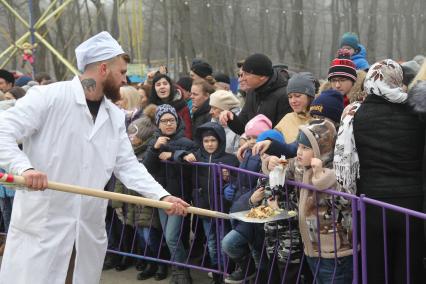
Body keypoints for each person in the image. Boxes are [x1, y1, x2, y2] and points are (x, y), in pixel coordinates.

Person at [0, 31, 188, 284]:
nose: (125, 79)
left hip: (86, 229)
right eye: (121, 72)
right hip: (43, 226)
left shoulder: (113, 115)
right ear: (102, 68)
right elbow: (3, 131)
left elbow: (128, 166)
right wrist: (24, 168)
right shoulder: (47, 97)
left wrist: (162, 196)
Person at [349, 59, 425, 283]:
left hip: (373, 202)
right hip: (411, 204)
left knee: (375, 268)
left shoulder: (357, 115)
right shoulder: (416, 114)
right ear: (398, 81)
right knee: (408, 267)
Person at [264, 119, 353, 283]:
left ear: (321, 150)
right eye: (298, 146)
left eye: (305, 148)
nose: (299, 152)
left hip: (335, 252)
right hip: (311, 248)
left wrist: (321, 177)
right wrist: (271, 161)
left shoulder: (336, 170)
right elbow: (285, 164)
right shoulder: (299, 166)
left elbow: (346, 202)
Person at [143, 104, 198, 284]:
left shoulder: (186, 142)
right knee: (169, 236)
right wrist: (155, 150)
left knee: (173, 236)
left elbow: (192, 160)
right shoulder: (154, 142)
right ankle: (177, 271)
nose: (168, 124)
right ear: (158, 124)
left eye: (172, 120)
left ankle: (182, 272)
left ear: (177, 121)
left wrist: (173, 154)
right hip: (161, 196)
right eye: (164, 121)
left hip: (179, 196)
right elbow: (146, 168)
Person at [182, 121, 239, 284]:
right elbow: (178, 152)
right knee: (212, 244)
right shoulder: (197, 157)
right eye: (206, 141)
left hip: (223, 211)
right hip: (205, 209)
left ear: (220, 141)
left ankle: (229, 271)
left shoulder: (230, 159)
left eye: (213, 140)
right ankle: (217, 276)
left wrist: (229, 177)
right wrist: (185, 156)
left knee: (224, 243)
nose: (209, 144)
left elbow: (239, 182)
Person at [219, 53, 291, 137]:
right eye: (241, 74)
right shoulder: (252, 92)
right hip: (253, 147)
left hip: (271, 148)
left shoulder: (284, 96)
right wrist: (230, 118)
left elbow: (281, 134)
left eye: (247, 74)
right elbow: (243, 127)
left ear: (262, 76)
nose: (242, 78)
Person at [274, 72, 315, 143]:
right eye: (290, 97)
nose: (293, 101)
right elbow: (274, 139)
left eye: (297, 96)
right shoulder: (288, 118)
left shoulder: (319, 119)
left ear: (310, 96)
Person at [150, 74, 192, 139]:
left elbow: (187, 133)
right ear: (154, 89)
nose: (162, 87)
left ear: (170, 86)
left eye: (165, 84)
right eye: (158, 85)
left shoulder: (182, 106)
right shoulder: (150, 109)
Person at [209, 90, 241, 154]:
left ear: (225, 108)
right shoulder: (214, 120)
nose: (210, 112)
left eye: (215, 108)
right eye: (211, 107)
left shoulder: (240, 124)